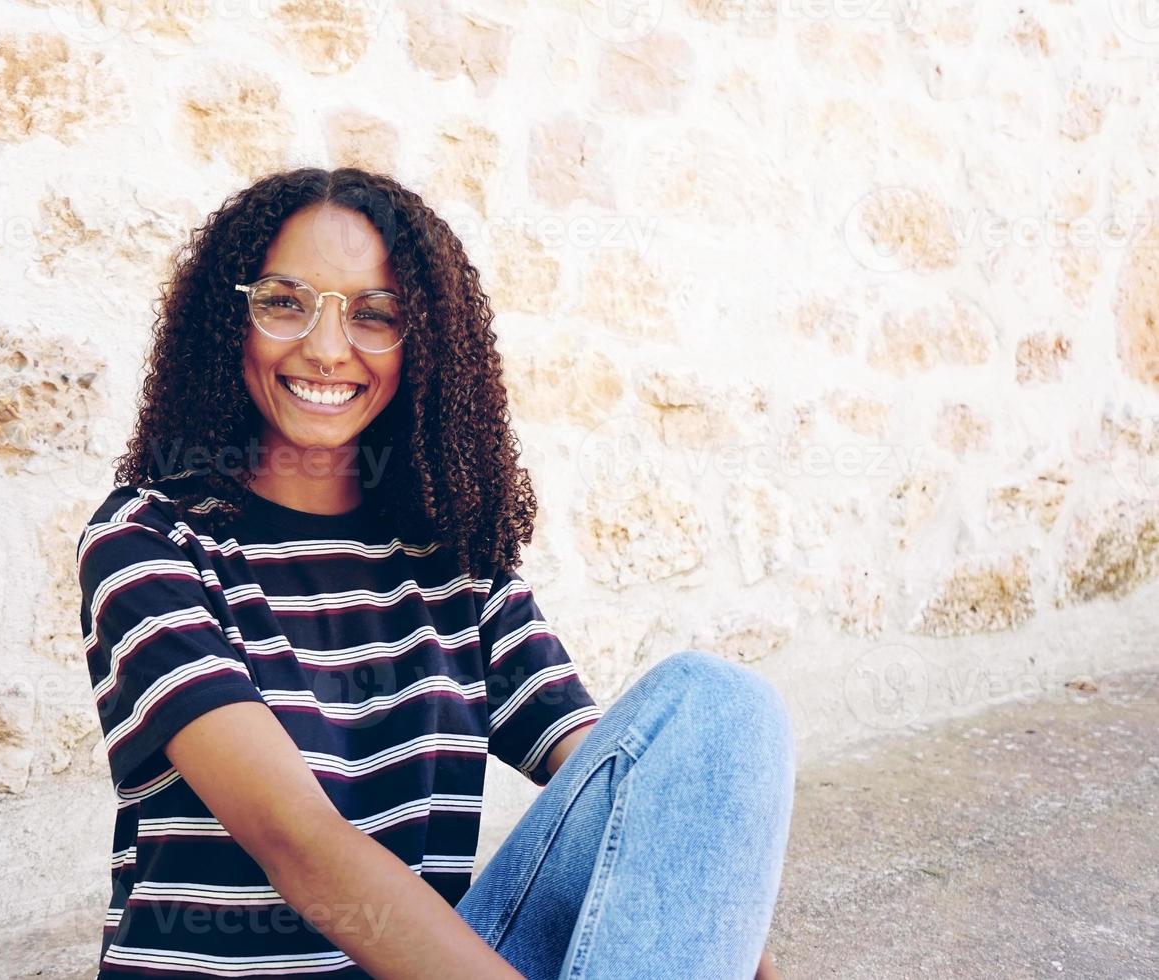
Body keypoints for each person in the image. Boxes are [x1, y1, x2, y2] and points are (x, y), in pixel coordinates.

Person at [75, 167, 796, 979]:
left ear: (425, 344)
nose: (324, 346)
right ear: (226, 320)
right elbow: (298, 840)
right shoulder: (150, 542)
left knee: (718, 705)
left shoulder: (452, 562)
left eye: (375, 315)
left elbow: (624, 795)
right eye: (284, 301)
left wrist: (726, 951)